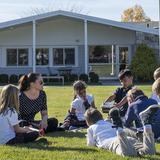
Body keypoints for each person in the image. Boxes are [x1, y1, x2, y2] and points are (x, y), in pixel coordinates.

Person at [85, 107, 158, 157]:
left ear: (88, 122)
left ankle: (119, 127)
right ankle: (147, 124)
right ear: (100, 116)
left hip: (114, 142)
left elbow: (90, 144)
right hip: (128, 138)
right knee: (150, 152)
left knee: (129, 154)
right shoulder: (108, 122)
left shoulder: (91, 128)